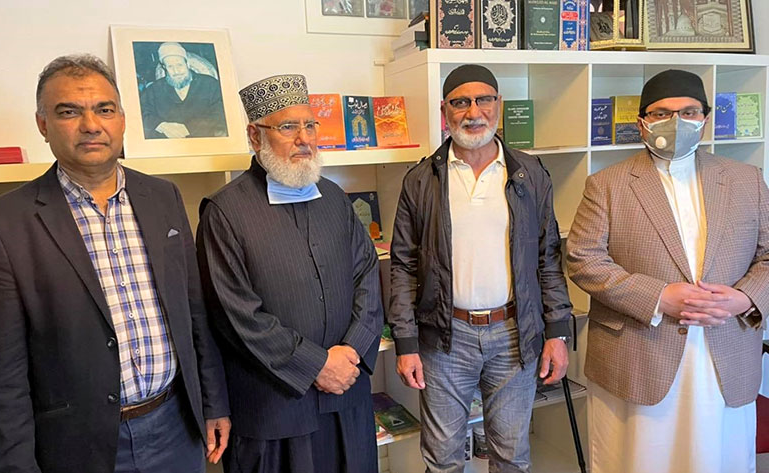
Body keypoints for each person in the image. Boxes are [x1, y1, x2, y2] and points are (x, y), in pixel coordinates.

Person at [0, 54, 231, 473]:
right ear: (42, 124)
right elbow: (2, 376)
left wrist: (214, 403)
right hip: (78, 446)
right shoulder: (0, 226)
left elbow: (194, 311)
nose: (91, 125)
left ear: (122, 120)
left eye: (104, 109)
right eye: (69, 112)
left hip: (176, 427)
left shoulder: (163, 197)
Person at [566, 69, 767, 473]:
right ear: (642, 122)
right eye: (661, 113)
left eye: (688, 112)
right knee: (638, 458)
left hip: (724, 349)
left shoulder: (746, 180)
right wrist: (657, 297)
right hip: (639, 353)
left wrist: (745, 297)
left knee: (719, 457)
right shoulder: (607, 184)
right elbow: (582, 259)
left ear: (704, 119)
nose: (676, 122)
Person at [388, 64, 573, 473]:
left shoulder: (529, 174)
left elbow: (547, 258)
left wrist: (558, 332)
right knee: (442, 460)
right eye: (461, 102)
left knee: (511, 457)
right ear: (445, 111)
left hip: (514, 335)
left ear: (498, 105)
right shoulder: (420, 180)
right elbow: (403, 266)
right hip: (444, 339)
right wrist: (406, 342)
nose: (474, 112)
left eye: (484, 100)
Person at [196, 73, 383, 473]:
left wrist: (351, 352)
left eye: (310, 125)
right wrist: (316, 365)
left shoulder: (334, 198)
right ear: (255, 136)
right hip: (275, 409)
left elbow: (367, 276)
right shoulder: (224, 212)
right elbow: (236, 316)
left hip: (346, 396)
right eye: (287, 127)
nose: (304, 139)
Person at [139, 42, 228, 139]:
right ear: (164, 67)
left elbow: (221, 114)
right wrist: (161, 125)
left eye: (179, 65)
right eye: (170, 66)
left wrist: (189, 128)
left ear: (187, 64)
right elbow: (140, 113)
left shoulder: (210, 84)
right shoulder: (154, 89)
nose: (176, 71)